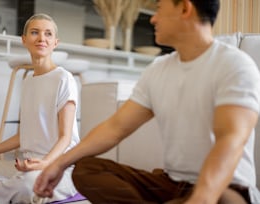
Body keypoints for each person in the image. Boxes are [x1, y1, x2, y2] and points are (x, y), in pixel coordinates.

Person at [34, 0, 260, 204]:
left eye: (159, 8)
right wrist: (59, 163)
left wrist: (202, 197)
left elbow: (230, 139)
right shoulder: (158, 69)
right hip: (172, 184)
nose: (153, 18)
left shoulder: (234, 65)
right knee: (86, 171)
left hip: (226, 188)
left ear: (184, 8)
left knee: (226, 202)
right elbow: (115, 128)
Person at [0, 13, 80, 204]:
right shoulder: (28, 82)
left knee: (31, 185)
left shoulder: (64, 79)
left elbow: (66, 137)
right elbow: (24, 135)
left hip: (60, 167)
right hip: (27, 166)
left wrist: (45, 163)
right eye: (35, 32)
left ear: (55, 42)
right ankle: (6, 185)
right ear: (24, 39)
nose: (41, 38)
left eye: (48, 34)